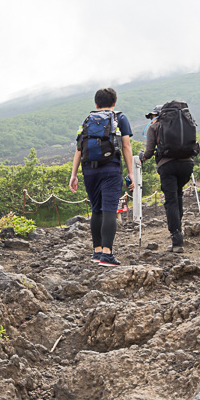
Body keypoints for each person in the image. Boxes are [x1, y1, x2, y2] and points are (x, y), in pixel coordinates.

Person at [69, 88, 135, 266]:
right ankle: (107, 254)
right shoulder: (119, 118)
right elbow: (126, 146)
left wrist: (73, 175)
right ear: (114, 102)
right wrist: (131, 173)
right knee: (109, 211)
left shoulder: (87, 120)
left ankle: (97, 251)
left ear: (96, 104)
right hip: (111, 169)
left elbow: (79, 149)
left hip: (89, 170)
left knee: (96, 210)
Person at [139, 105, 195, 253]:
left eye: (151, 116)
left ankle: (177, 242)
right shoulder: (182, 124)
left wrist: (142, 157)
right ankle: (179, 232)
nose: (151, 119)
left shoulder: (155, 127)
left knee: (171, 201)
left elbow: (149, 151)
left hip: (167, 166)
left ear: (157, 115)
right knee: (178, 196)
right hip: (187, 164)